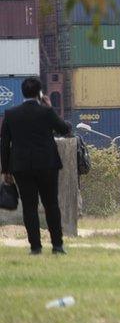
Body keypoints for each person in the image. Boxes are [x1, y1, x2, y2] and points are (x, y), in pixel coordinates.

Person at [0, 77, 72, 255]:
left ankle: (35, 248)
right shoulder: (46, 112)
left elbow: (4, 143)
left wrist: (5, 169)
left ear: (22, 92)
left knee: (29, 207)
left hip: (22, 166)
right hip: (47, 164)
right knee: (51, 205)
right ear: (40, 93)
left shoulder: (10, 114)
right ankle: (57, 246)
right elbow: (64, 129)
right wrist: (50, 108)